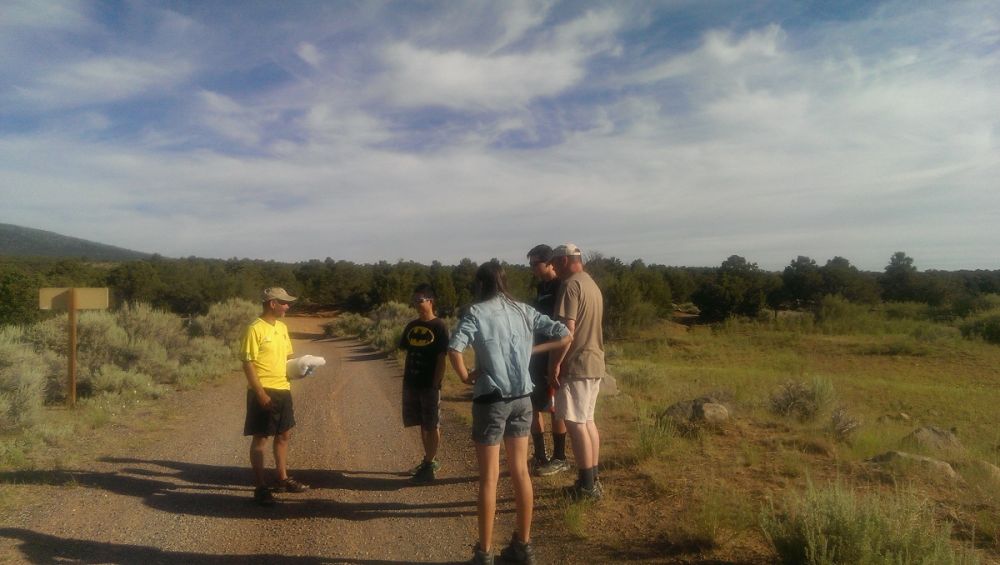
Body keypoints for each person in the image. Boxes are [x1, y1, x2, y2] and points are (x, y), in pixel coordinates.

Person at [449, 261, 571, 565]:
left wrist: (465, 376)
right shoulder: (523, 310)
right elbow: (565, 334)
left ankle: (484, 554)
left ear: (481, 284)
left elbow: (454, 348)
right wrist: (534, 351)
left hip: (491, 399)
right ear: (503, 282)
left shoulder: (476, 312)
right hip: (522, 398)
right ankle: (523, 546)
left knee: (489, 478)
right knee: (520, 471)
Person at [241, 287, 310, 506]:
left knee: (284, 434)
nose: (287, 306)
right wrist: (260, 393)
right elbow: (247, 363)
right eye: (284, 302)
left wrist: (301, 369)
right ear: (272, 303)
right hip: (264, 390)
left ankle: (282, 479)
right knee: (261, 438)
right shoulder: (254, 328)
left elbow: (288, 358)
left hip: (283, 389)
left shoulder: (282, 327)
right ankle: (260, 487)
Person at [549, 243, 606, 500]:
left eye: (554, 262)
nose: (553, 267)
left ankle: (587, 488)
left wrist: (555, 364)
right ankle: (591, 480)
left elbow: (567, 331)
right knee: (588, 421)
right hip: (594, 361)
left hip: (577, 363)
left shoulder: (570, 285)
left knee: (575, 423)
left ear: (564, 260)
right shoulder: (590, 283)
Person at [525, 244, 571, 477]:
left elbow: (564, 327)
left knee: (554, 408)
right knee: (533, 405)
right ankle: (540, 455)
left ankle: (560, 457)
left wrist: (557, 361)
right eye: (530, 264)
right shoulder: (541, 286)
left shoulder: (560, 287)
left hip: (552, 355)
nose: (533, 268)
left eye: (536, 263)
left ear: (550, 263)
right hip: (536, 354)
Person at [398, 283, 449, 483]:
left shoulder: (439, 326)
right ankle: (428, 459)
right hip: (412, 382)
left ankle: (430, 464)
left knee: (432, 423)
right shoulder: (412, 326)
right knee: (421, 423)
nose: (417, 304)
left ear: (431, 301)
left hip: (429, 384)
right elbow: (406, 350)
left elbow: (442, 358)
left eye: (420, 300)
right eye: (414, 301)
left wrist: (436, 383)